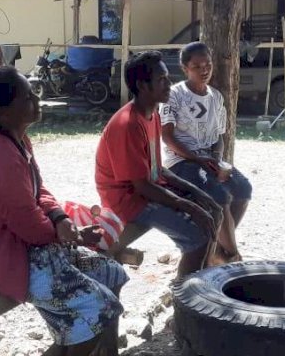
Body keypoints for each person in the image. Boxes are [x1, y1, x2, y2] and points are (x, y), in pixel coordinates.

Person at [0, 67, 128, 356]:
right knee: (101, 307)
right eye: (27, 96)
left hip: (24, 246)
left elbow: (39, 190)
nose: (36, 99)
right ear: (4, 111)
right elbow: (30, 227)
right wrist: (71, 236)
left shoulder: (17, 140)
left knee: (112, 274)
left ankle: (95, 349)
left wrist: (60, 217)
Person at [95, 51, 223, 278]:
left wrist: (197, 195)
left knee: (214, 210)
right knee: (197, 237)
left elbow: (157, 169)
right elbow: (141, 186)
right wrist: (189, 205)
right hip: (126, 201)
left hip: (146, 188)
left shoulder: (152, 114)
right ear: (143, 86)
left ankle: (200, 280)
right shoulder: (128, 124)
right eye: (162, 79)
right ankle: (185, 299)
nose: (169, 84)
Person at [160, 42, 252, 264]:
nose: (204, 70)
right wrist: (197, 159)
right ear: (185, 68)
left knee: (243, 189)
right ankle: (232, 256)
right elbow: (167, 136)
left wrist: (217, 160)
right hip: (181, 162)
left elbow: (219, 137)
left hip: (207, 160)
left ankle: (217, 248)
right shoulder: (174, 95)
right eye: (197, 66)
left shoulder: (216, 97)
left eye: (208, 65)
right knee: (219, 196)